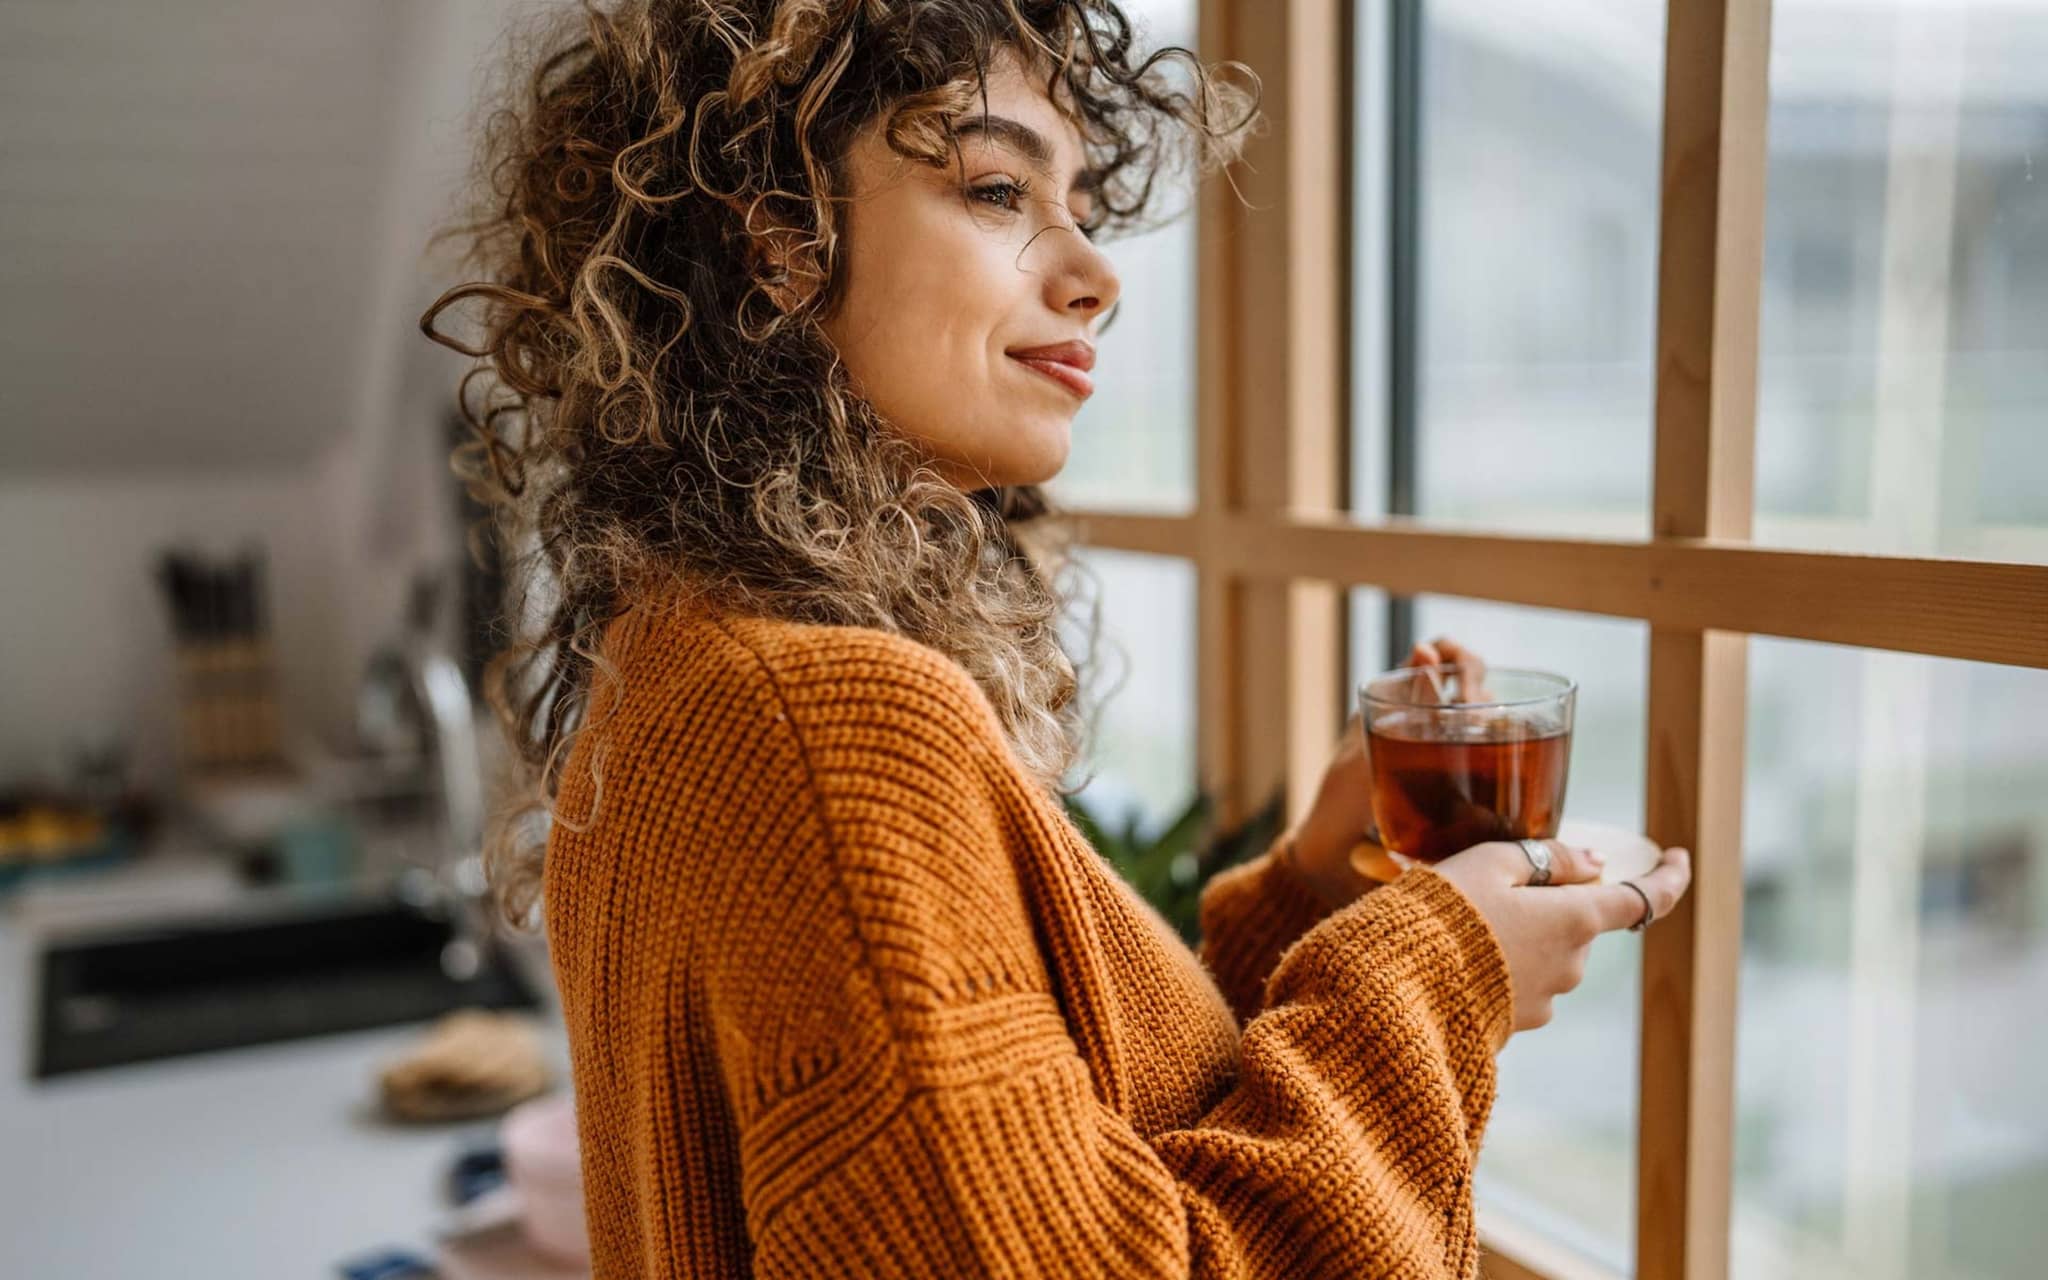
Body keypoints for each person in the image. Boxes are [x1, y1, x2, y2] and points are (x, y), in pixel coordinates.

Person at [422, 2, 1692, 1276]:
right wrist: (1437, 972)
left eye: (1080, 202)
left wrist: (1308, 888)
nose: (1096, 270)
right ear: (781, 247)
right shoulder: (821, 724)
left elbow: (1038, 1160)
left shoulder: (690, 659)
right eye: (993, 187)